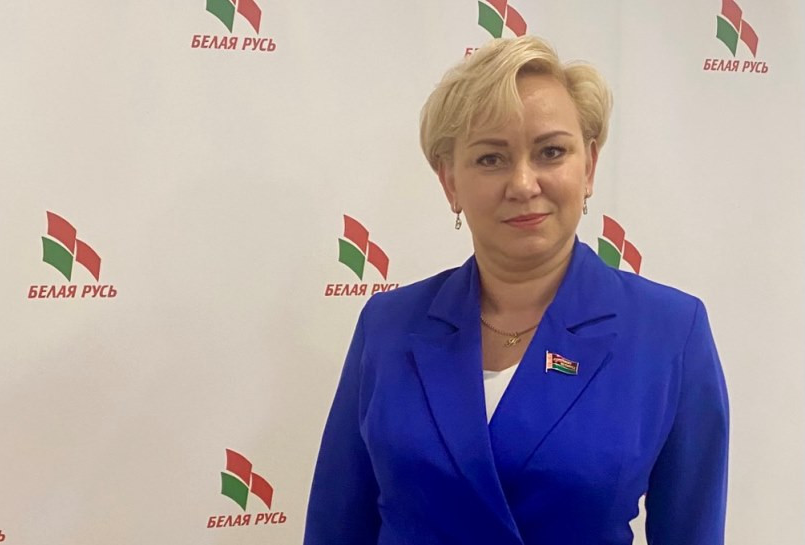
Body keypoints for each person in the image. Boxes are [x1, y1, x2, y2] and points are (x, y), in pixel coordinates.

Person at [304, 35, 729, 545]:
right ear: (450, 182)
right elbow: (335, 526)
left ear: (589, 167)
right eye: (491, 159)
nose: (524, 184)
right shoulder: (388, 324)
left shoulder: (670, 332)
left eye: (551, 152)